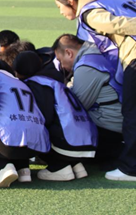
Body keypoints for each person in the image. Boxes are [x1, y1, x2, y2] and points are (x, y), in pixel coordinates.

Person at [53, 0, 136, 182]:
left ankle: (133, 168)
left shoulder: (91, 11)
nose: (61, 12)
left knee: (133, 110)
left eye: (60, 7)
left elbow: (120, 24)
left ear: (70, 0)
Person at [14, 51, 98, 182]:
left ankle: (59, 167)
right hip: (88, 141)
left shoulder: (36, 84)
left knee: (35, 127)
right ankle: (75, 165)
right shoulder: (52, 81)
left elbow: (44, 117)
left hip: (67, 144)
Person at [52, 34, 124, 164]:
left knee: (58, 126)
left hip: (110, 129)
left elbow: (77, 107)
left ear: (68, 53)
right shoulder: (98, 53)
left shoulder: (87, 66)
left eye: (60, 60)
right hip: (122, 122)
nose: (62, 66)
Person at [0, 61, 50, 187]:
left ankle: (1, 168)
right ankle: (23, 169)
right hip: (35, 148)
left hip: (7, 147)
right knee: (20, 126)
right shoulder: (22, 83)